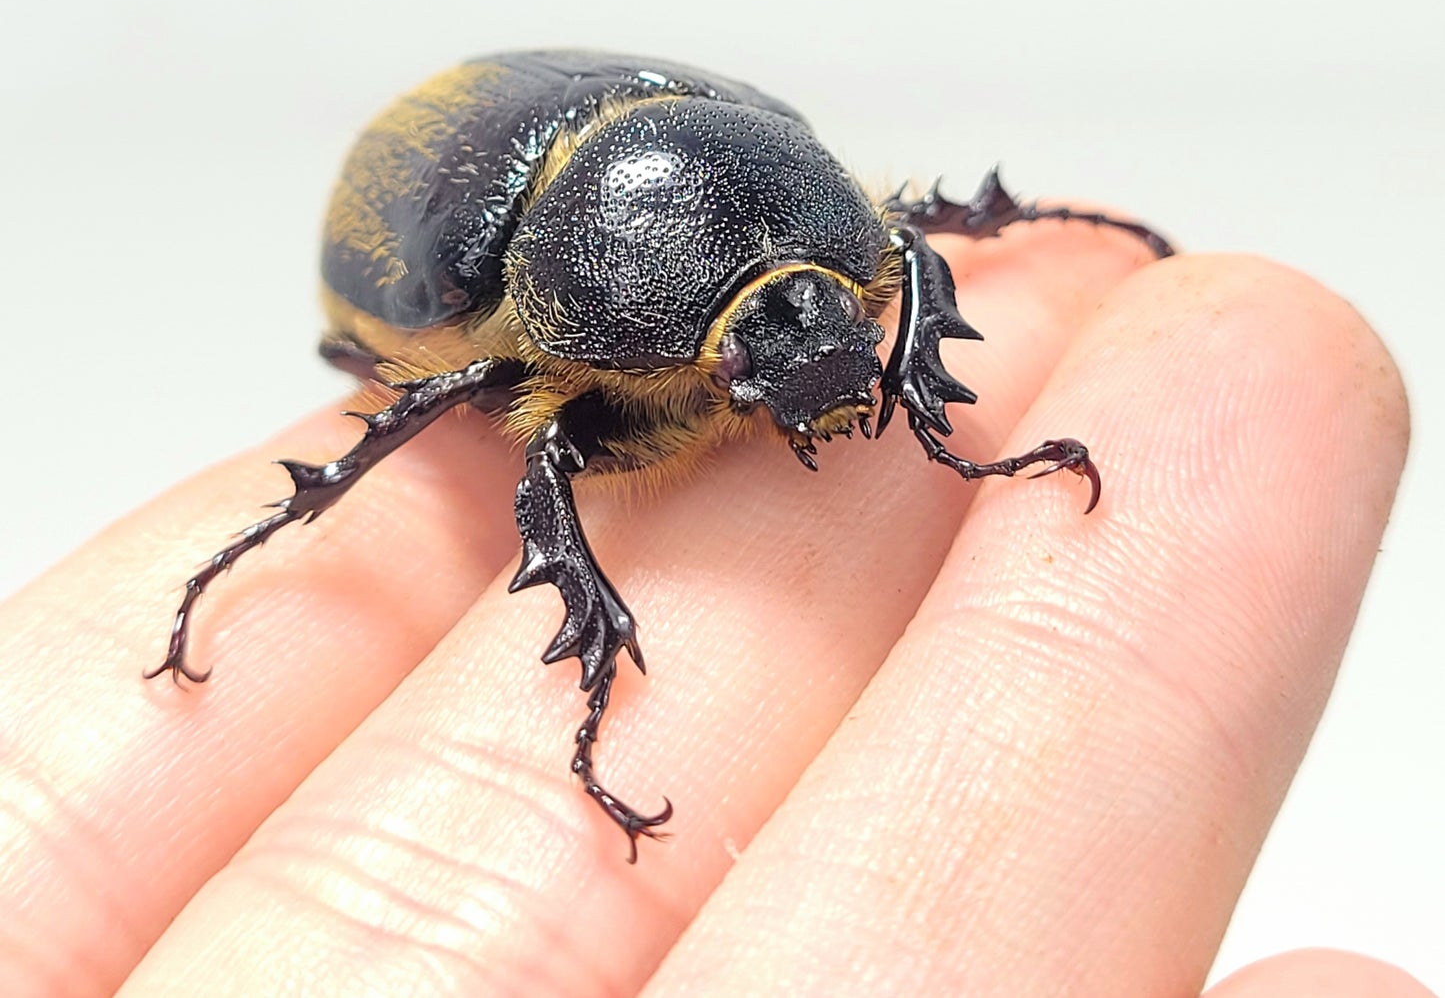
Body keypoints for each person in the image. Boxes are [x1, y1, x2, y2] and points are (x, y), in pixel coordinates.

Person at [0, 230, 1430, 997]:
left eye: (821, 311)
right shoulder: (577, 356)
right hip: (475, 227)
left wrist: (935, 421)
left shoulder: (845, 242)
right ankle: (579, 671)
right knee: (485, 414)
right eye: (760, 342)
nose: (812, 368)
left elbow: (909, 243)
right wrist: (273, 526)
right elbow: (497, 411)